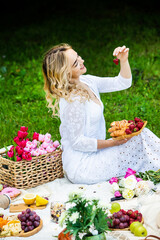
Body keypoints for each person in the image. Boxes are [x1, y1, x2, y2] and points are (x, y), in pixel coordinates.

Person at [42, 43, 160, 184]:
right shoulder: (71, 100)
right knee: (138, 142)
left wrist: (123, 60)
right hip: (83, 166)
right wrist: (113, 143)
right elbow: (78, 142)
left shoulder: (87, 81)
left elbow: (123, 82)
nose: (82, 61)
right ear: (65, 72)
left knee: (141, 135)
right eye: (75, 63)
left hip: (98, 152)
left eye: (78, 56)